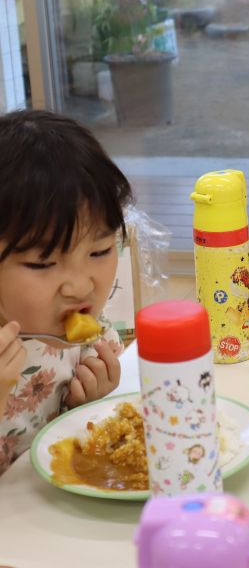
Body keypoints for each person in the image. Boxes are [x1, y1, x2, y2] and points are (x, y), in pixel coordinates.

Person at [0, 110, 133, 474]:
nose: (80, 286)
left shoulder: (86, 338)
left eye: (100, 252)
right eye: (42, 264)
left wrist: (84, 403)